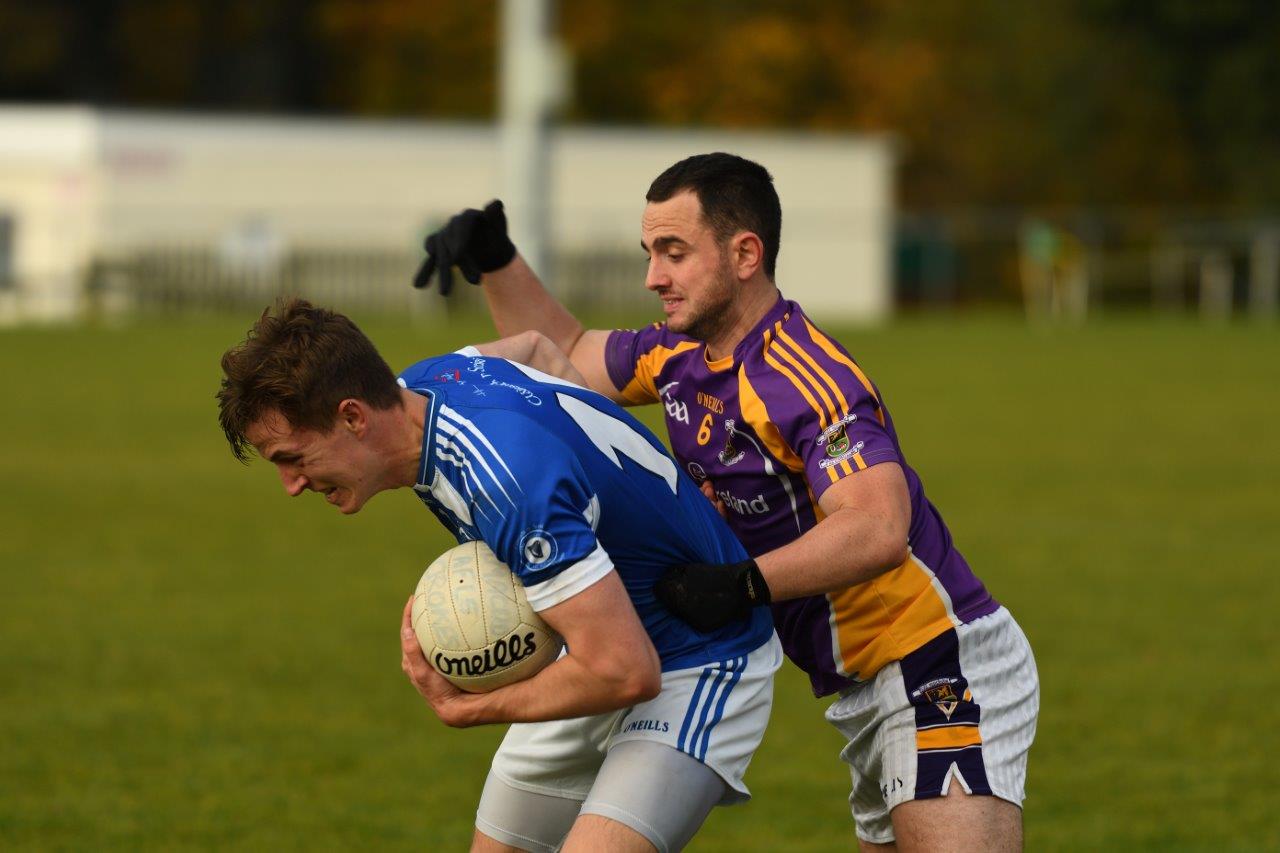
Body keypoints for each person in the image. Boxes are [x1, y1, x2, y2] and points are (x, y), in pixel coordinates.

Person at [413, 152, 1039, 851]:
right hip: (861, 685)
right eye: (650, 252)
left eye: (674, 253)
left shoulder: (804, 376)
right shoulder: (680, 355)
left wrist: (740, 585)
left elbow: (878, 524)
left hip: (936, 659)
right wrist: (495, 258)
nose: (653, 276)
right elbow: (563, 352)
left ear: (745, 253)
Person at [216, 298, 782, 853]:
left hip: (699, 658)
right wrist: (625, 490)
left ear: (352, 416)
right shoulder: (430, 381)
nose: (290, 483)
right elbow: (534, 347)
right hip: (591, 637)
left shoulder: (509, 486)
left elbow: (627, 672)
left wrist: (467, 708)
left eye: (292, 458)